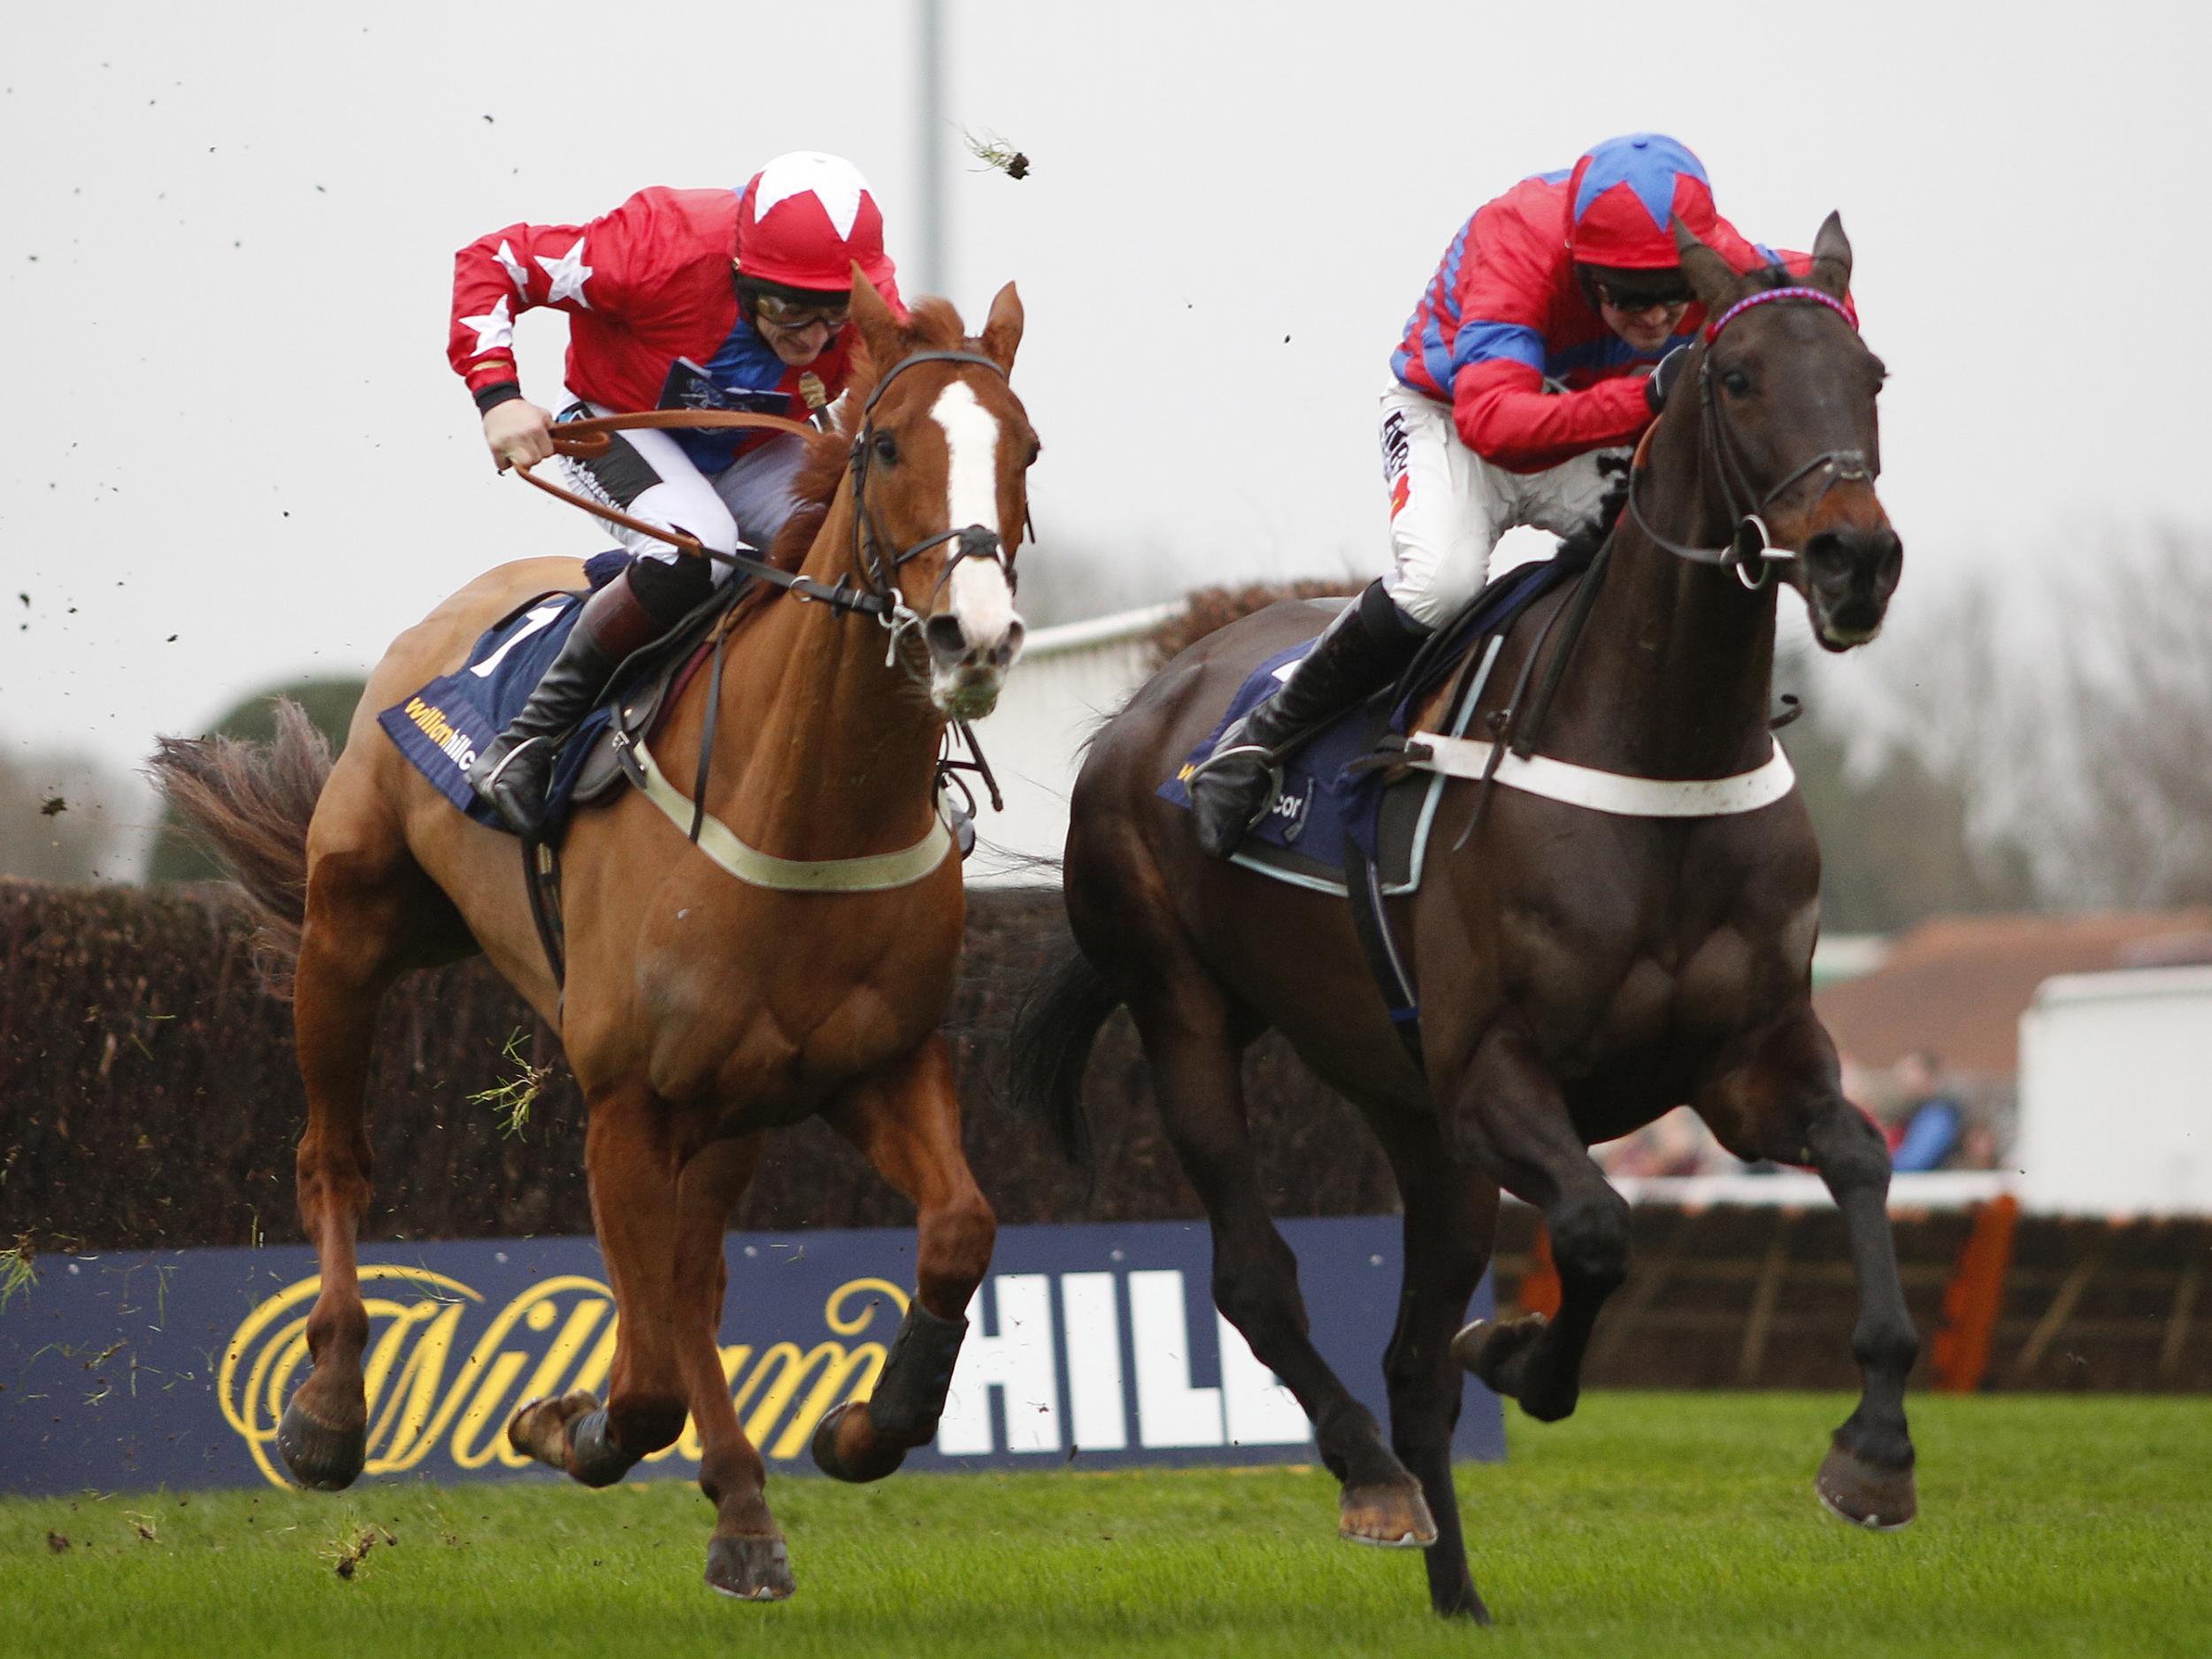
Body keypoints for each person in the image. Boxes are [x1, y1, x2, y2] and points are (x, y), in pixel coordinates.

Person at [1193, 133, 1801, 856]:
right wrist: (1644, 396)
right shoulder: (1516, 238)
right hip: (1453, 420)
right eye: (1629, 297)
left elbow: (1822, 297)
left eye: (1676, 292)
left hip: (1578, 427)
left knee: (1682, 543)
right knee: (1439, 585)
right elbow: (1493, 425)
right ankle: (1259, 738)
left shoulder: (1723, 251)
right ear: (1582, 266)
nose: (1655, 319)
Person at [446, 151, 905, 837]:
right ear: (740, 272)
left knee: (862, 545)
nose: (812, 340)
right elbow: (495, 259)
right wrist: (497, 395)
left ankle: (899, 775)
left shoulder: (877, 305)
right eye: (787, 309)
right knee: (702, 547)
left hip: (755, 447)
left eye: (833, 315)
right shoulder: (656, 244)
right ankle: (527, 740)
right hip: (619, 424)